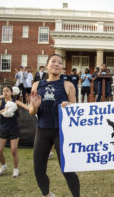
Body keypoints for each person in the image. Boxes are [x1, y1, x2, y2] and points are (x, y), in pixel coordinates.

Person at [29, 54, 80, 197]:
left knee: (67, 169)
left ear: (63, 68)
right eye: (53, 61)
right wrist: (34, 106)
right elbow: (32, 111)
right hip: (42, 131)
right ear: (47, 65)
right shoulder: (37, 85)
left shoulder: (68, 85)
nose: (57, 64)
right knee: (38, 170)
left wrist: (69, 106)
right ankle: (47, 194)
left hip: (61, 132)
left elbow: (75, 111)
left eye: (60, 63)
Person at [0, 86, 29, 177]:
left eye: (7, 91)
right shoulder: (0, 102)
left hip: (14, 129)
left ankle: (16, 169)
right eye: (3, 91)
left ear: (11, 93)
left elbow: (28, 108)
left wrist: (34, 106)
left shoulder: (16, 102)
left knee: (13, 150)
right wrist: (3, 110)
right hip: (3, 129)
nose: (5, 92)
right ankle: (3, 166)